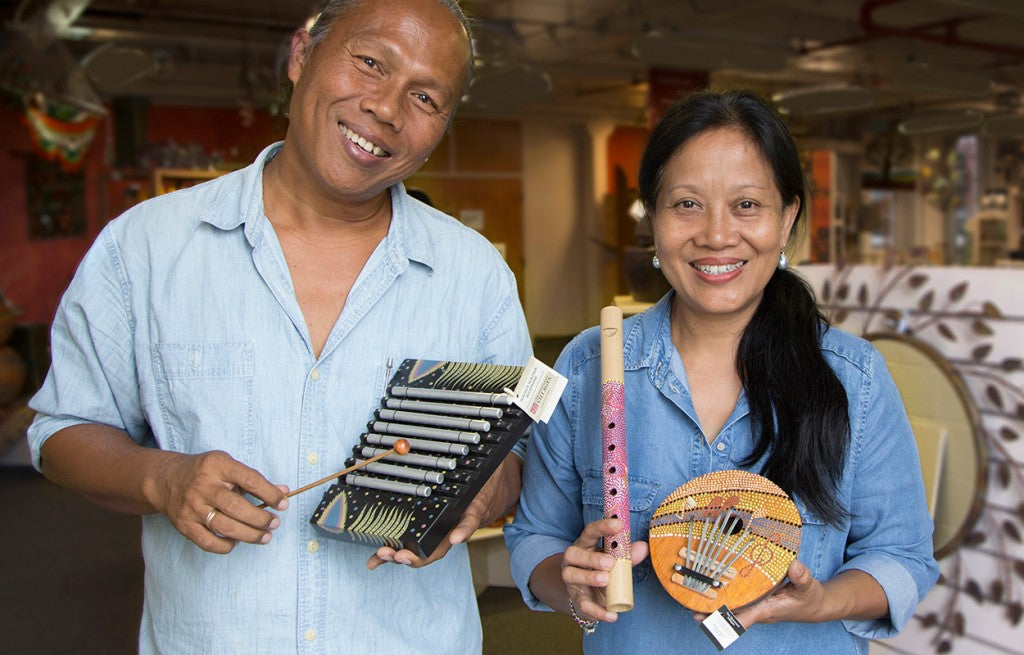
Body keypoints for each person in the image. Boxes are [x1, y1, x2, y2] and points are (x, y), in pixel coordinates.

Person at [27, 0, 531, 653]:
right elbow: (62, 428)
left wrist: (483, 493)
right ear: (301, 55)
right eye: (371, 62)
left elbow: (516, 451)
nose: (386, 107)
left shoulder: (477, 275)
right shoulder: (146, 248)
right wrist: (164, 477)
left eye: (426, 97)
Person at [505, 89, 939, 654]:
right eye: (686, 204)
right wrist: (569, 579)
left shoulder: (854, 377)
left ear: (787, 220)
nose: (715, 234)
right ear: (653, 220)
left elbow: (903, 558)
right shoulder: (589, 367)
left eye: (747, 205)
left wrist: (823, 602)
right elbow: (534, 537)